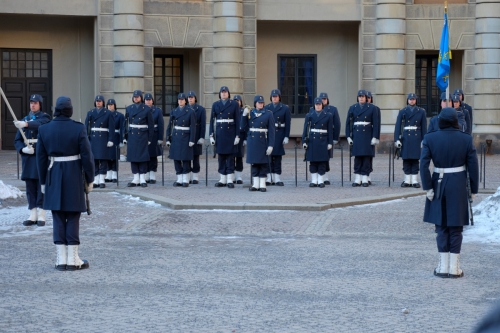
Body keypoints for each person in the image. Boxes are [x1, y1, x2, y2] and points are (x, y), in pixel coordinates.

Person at [36, 96, 95, 271]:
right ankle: (73, 259)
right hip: (74, 175)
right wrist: (90, 179)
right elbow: (87, 157)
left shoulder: (44, 129)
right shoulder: (78, 128)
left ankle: (61, 260)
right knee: (73, 215)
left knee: (58, 215)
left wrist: (43, 181)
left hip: (53, 174)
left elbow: (40, 159)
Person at [420, 107, 478, 278]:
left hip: (438, 182)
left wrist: (428, 187)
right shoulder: (466, 139)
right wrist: (473, 189)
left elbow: (423, 165)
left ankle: (442, 267)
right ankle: (454, 268)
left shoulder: (430, 138)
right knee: (456, 227)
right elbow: (473, 167)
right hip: (458, 184)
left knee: (441, 226)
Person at [14, 94, 51, 226]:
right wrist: (22, 149)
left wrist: (25, 124)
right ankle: (32, 214)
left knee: (41, 186)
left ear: (40, 104)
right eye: (31, 103)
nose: (33, 105)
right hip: (28, 158)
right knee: (30, 187)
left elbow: (40, 124)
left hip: (40, 156)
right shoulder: (25, 119)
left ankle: (42, 214)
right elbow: (17, 140)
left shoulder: (45, 117)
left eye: (35, 103)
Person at [345, 90, 380, 187]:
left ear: (366, 97)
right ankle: (357, 178)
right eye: (359, 96)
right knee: (357, 157)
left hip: (367, 135)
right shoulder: (353, 108)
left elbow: (376, 124)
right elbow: (348, 123)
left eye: (363, 96)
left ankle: (365, 178)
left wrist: (375, 137)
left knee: (366, 158)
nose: (361, 98)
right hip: (356, 135)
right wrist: (348, 136)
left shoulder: (372, 108)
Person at [241, 95, 275, 192]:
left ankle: (262, 184)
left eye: (262, 102)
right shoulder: (250, 113)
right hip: (252, 141)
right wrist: (244, 115)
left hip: (263, 141)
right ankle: (255, 184)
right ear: (255, 103)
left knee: (263, 164)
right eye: (259, 102)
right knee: (254, 164)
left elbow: (272, 131)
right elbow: (242, 127)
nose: (261, 104)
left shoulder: (268, 114)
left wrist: (270, 145)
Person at [209, 86, 241, 188]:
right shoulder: (215, 104)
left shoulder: (234, 104)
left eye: (225, 92)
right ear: (220, 94)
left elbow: (237, 121)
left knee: (230, 157)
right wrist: (211, 135)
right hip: (219, 133)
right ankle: (222, 179)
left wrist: (237, 135)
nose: (223, 94)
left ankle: (230, 180)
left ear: (228, 93)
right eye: (222, 92)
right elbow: (211, 121)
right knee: (221, 157)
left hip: (230, 133)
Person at [394, 93, 427, 188]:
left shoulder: (421, 112)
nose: (412, 101)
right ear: (407, 100)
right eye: (410, 99)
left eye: (413, 99)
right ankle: (407, 179)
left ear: (416, 100)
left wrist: (424, 140)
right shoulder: (402, 111)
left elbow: (424, 127)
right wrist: (397, 139)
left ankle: (414, 180)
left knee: (415, 160)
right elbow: (398, 126)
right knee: (406, 160)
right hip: (406, 138)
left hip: (416, 138)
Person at [123, 90, 154, 187]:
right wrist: (124, 136)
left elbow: (151, 125)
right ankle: (135, 178)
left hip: (142, 136)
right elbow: (126, 123)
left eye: (138, 97)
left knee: (142, 157)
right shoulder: (129, 108)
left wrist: (149, 138)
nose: (136, 98)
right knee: (133, 157)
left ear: (141, 98)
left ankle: (142, 179)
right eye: (134, 97)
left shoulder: (146, 109)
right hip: (132, 135)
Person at [84, 95, 115, 189]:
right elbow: (86, 127)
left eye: (100, 101)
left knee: (103, 159)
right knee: (94, 160)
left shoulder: (108, 113)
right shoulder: (90, 113)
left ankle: (102, 179)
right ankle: (96, 179)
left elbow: (111, 128)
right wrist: (86, 138)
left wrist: (110, 140)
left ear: (103, 102)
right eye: (97, 101)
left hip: (103, 138)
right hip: (93, 138)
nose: (98, 102)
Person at [302, 97, 334, 188]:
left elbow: (330, 130)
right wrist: (304, 141)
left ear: (322, 105)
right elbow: (305, 129)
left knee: (322, 162)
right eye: (316, 104)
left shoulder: (328, 115)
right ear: (314, 105)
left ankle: (320, 180)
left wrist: (330, 143)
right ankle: (314, 180)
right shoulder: (309, 115)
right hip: (312, 140)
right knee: (313, 162)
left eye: (319, 104)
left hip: (323, 140)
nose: (318, 106)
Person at [166, 93, 196, 187]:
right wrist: (168, 138)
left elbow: (193, 127)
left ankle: (185, 179)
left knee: (186, 159)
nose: (180, 101)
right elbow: (170, 126)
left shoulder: (190, 111)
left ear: (185, 100)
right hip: (176, 136)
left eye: (182, 99)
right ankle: (179, 178)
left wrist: (192, 139)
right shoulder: (174, 111)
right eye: (179, 99)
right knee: (176, 158)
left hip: (186, 137)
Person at [265, 89, 291, 186]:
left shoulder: (284, 108)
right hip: (269, 135)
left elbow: (288, 123)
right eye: (273, 96)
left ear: (279, 97)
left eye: (276, 96)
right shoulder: (267, 107)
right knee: (269, 157)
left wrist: (286, 136)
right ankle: (269, 177)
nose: (274, 98)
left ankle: (277, 178)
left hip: (279, 134)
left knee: (277, 157)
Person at [319, 92, 341, 185]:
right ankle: (319, 175)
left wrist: (335, 137)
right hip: (317, 137)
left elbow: (337, 124)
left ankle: (325, 176)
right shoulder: (314, 109)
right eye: (322, 99)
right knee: (318, 156)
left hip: (328, 136)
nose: (323, 100)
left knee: (326, 157)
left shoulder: (332, 109)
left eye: (325, 99)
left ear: (327, 99)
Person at [144, 93, 164, 184]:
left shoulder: (157, 111)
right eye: (146, 100)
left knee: (153, 155)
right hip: (144, 135)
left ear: (152, 101)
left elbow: (161, 125)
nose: (148, 101)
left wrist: (160, 138)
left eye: (149, 100)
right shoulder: (142, 110)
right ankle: (146, 173)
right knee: (144, 155)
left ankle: (152, 174)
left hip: (154, 135)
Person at [188, 91, 206, 184]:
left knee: (195, 157)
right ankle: (187, 175)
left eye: (192, 97)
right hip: (187, 135)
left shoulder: (201, 109)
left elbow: (203, 124)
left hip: (197, 134)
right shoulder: (185, 108)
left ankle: (195, 176)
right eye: (189, 97)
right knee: (187, 156)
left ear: (195, 98)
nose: (190, 99)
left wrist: (202, 137)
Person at [104, 99, 125, 183]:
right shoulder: (104, 114)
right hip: (106, 137)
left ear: (114, 105)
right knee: (107, 157)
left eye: (112, 104)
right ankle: (108, 174)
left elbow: (122, 128)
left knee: (114, 157)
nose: (110, 106)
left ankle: (114, 175)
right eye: (108, 104)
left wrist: (121, 140)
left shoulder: (119, 115)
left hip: (115, 137)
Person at [366, 91, 380, 185]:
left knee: (369, 157)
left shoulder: (375, 109)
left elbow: (377, 124)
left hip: (371, 136)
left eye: (369, 98)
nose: (367, 99)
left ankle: (368, 176)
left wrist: (376, 137)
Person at [233, 95, 247, 184]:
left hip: (241, 136)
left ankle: (238, 176)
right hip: (231, 136)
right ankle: (231, 175)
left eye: (238, 100)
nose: (237, 102)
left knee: (239, 157)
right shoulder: (231, 111)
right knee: (231, 157)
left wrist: (245, 138)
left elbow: (246, 126)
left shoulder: (243, 111)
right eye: (235, 100)